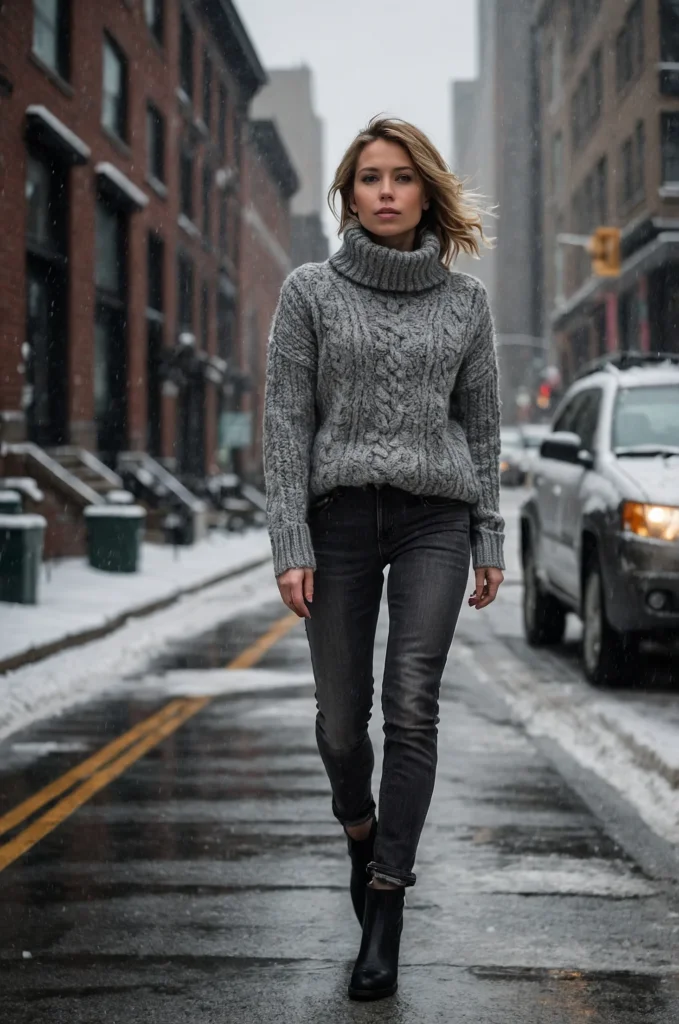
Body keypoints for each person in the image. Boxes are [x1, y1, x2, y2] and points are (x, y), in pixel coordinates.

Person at [262, 116, 505, 1002]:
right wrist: (289, 539)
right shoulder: (309, 293)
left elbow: (480, 428)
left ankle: (387, 902)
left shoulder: (464, 304)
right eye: (370, 177)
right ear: (349, 194)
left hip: (434, 518)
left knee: (412, 701)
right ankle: (360, 832)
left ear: (425, 190)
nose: (387, 191)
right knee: (339, 722)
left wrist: (488, 533)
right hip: (337, 520)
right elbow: (286, 422)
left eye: (402, 176)